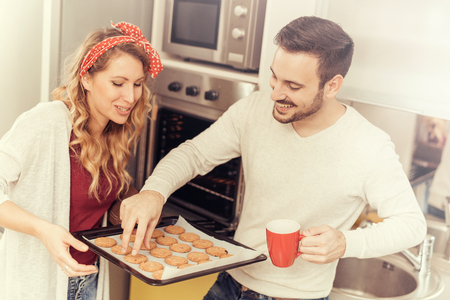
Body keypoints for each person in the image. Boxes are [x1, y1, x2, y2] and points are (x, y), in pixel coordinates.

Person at [120, 16, 427, 299]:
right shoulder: (253, 110)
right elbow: (194, 154)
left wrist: (347, 243)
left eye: (293, 86)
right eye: (274, 78)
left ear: (332, 86)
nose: (275, 93)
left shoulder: (369, 146)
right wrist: (153, 192)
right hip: (229, 282)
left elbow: (411, 224)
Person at [0, 21, 162, 300]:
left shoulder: (113, 134)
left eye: (137, 84)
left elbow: (97, 202)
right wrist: (43, 230)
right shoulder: (47, 121)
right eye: (118, 83)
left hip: (88, 280)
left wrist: (135, 203)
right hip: (42, 283)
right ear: (86, 78)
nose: (131, 96)